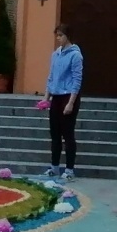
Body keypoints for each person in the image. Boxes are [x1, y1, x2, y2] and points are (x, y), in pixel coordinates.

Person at [43, 24, 84, 180]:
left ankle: (69, 169)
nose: (58, 38)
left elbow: (76, 79)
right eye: (57, 35)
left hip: (68, 96)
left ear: (67, 36)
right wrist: (46, 98)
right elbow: (51, 76)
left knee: (68, 134)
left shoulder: (76, 55)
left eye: (60, 35)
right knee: (55, 134)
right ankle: (54, 167)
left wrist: (71, 102)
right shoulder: (55, 55)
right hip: (56, 96)